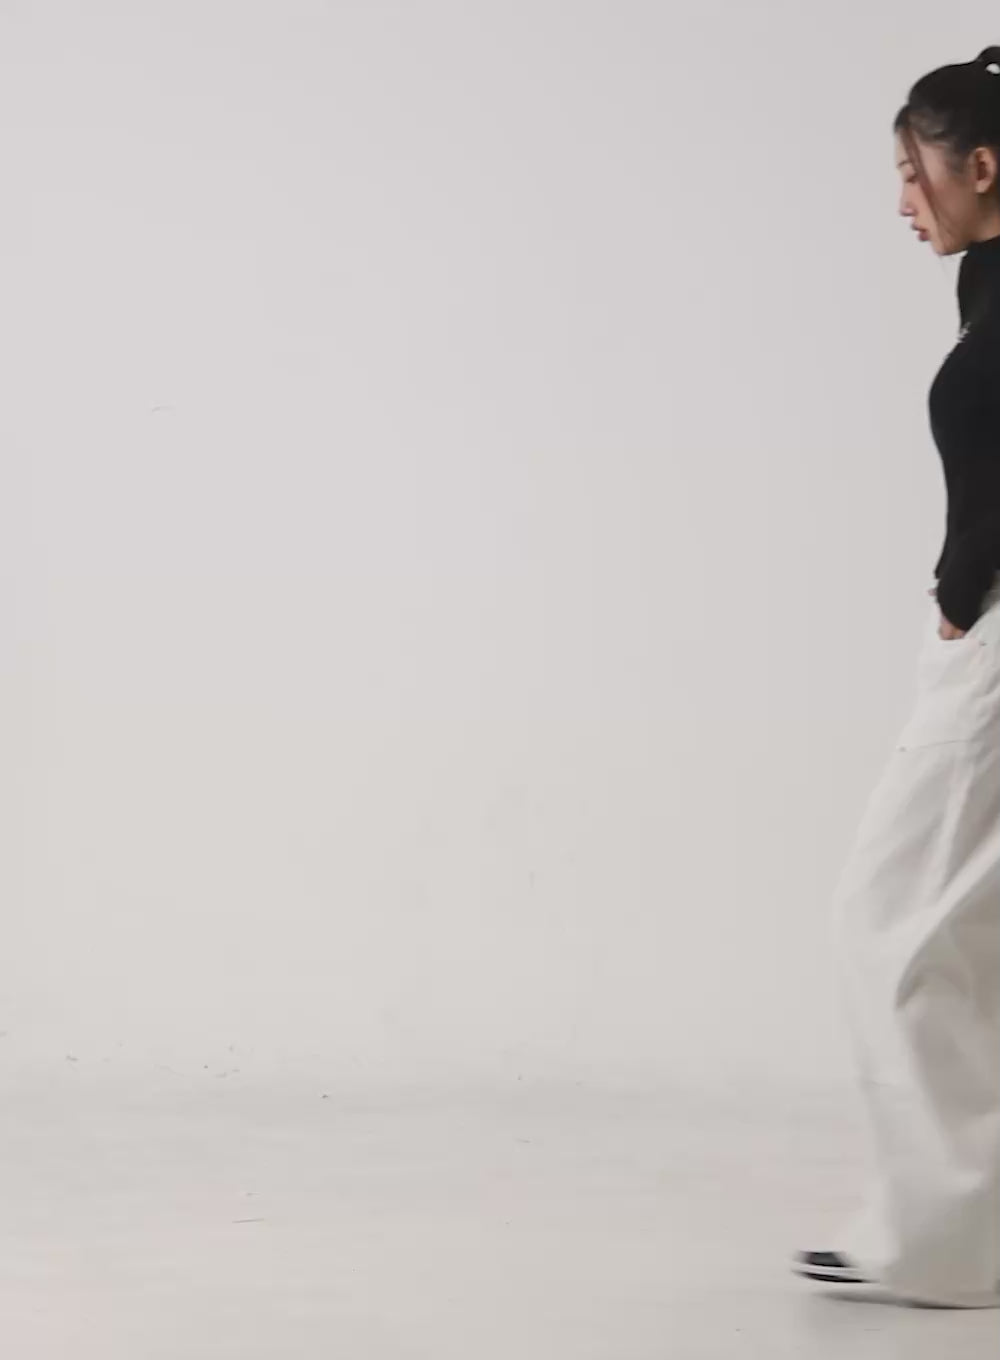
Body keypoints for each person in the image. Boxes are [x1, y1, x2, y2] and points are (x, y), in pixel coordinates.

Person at [794, 46, 1000, 1308]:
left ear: (981, 166)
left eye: (913, 173)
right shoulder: (985, 282)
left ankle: (949, 1240)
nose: (900, 200)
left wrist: (958, 594)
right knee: (954, 933)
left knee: (890, 919)